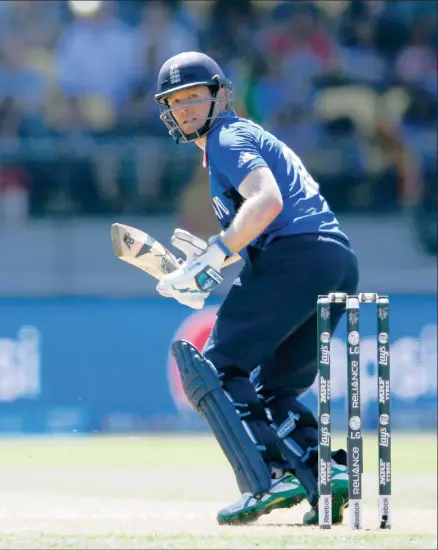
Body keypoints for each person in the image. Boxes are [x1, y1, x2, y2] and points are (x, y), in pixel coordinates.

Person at [155, 52, 359, 526]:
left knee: (218, 366)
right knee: (276, 387)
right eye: (176, 102)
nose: (185, 109)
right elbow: (268, 224)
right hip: (336, 262)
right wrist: (215, 256)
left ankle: (268, 475)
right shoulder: (242, 138)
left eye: (193, 97)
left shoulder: (226, 136)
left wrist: (217, 251)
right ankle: (324, 473)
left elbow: (268, 202)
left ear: (218, 95)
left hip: (298, 256)